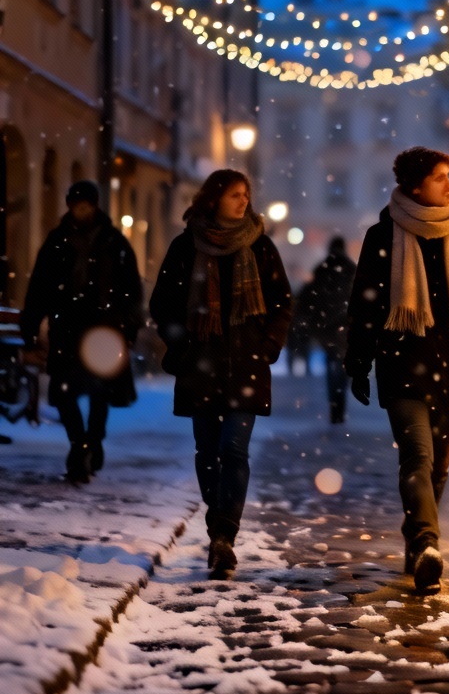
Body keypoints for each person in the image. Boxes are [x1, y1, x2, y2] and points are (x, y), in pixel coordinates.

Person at [345, 147, 449, 593]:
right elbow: (364, 306)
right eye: (440, 177)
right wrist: (358, 361)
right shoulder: (383, 236)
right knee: (417, 456)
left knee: (439, 468)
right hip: (402, 366)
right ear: (415, 185)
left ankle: (416, 539)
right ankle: (429, 542)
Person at [149, 169, 291, 580]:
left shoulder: (260, 247)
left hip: (246, 364)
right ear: (213, 200)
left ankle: (224, 534)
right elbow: (163, 304)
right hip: (201, 364)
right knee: (207, 452)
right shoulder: (186, 246)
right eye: (235, 195)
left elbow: (282, 302)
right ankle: (218, 530)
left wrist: (267, 346)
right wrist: (181, 344)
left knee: (234, 450)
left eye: (246, 194)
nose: (244, 201)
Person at [21, 180, 142, 485]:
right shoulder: (57, 240)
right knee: (63, 392)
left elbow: (131, 288)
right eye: (77, 205)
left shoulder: (114, 242)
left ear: (95, 205)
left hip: (104, 327)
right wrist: (31, 325)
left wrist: (128, 326)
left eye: (86, 205)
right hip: (68, 326)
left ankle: (92, 440)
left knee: (100, 392)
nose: (81, 210)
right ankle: (80, 443)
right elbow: (40, 285)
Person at [305, 236, 357, 423]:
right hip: (345, 326)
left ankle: (335, 403)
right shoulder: (351, 269)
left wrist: (313, 323)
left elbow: (311, 297)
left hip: (326, 327)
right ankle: (340, 400)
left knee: (331, 364)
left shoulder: (322, 269)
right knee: (343, 365)